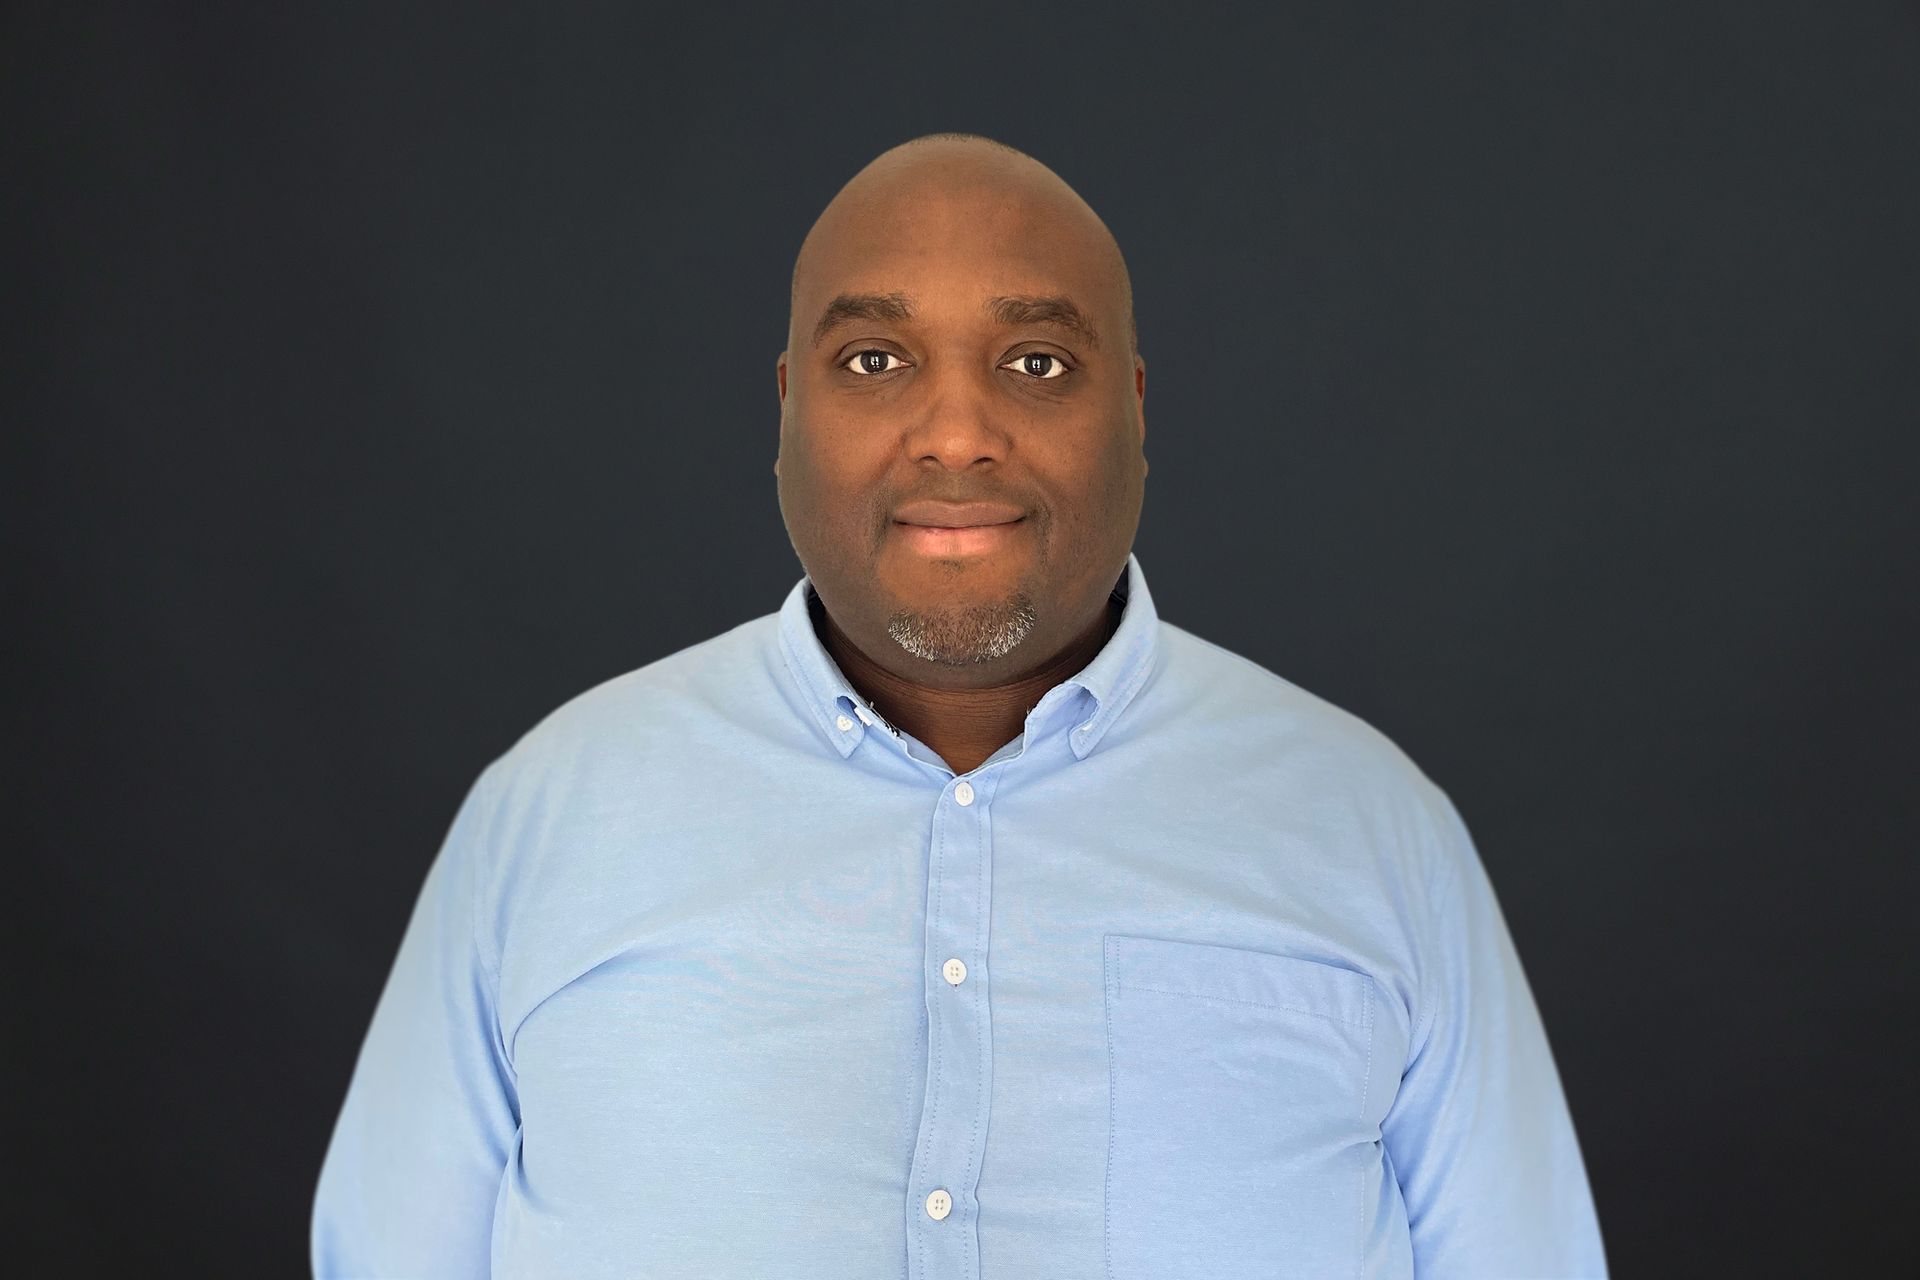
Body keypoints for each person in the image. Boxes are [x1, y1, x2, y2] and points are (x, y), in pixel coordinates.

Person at [311, 131, 1608, 1279]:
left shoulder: (1373, 829)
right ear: (786, 415)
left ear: (1136, 415)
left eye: (1037, 362)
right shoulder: (549, 814)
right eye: (875, 359)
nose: (955, 433)